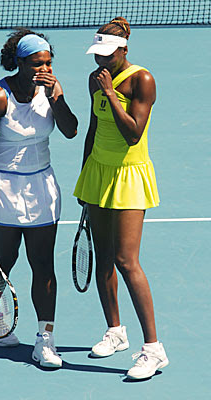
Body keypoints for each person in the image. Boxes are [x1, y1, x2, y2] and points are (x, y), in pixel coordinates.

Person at [0, 28, 78, 368]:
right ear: (19, 63)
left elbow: (71, 129)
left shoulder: (51, 90)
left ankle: (45, 340)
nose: (43, 69)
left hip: (42, 186)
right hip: (3, 188)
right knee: (3, 261)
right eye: (36, 63)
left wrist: (56, 96)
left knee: (43, 263)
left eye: (47, 62)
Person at [73, 17, 169, 380]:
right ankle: (115, 331)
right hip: (98, 173)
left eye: (108, 55)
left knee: (127, 260)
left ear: (124, 50)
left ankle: (153, 349)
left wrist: (111, 94)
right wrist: (85, 180)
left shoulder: (142, 79)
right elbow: (94, 130)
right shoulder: (93, 79)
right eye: (97, 55)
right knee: (104, 259)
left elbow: (132, 133)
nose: (101, 62)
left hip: (130, 175)